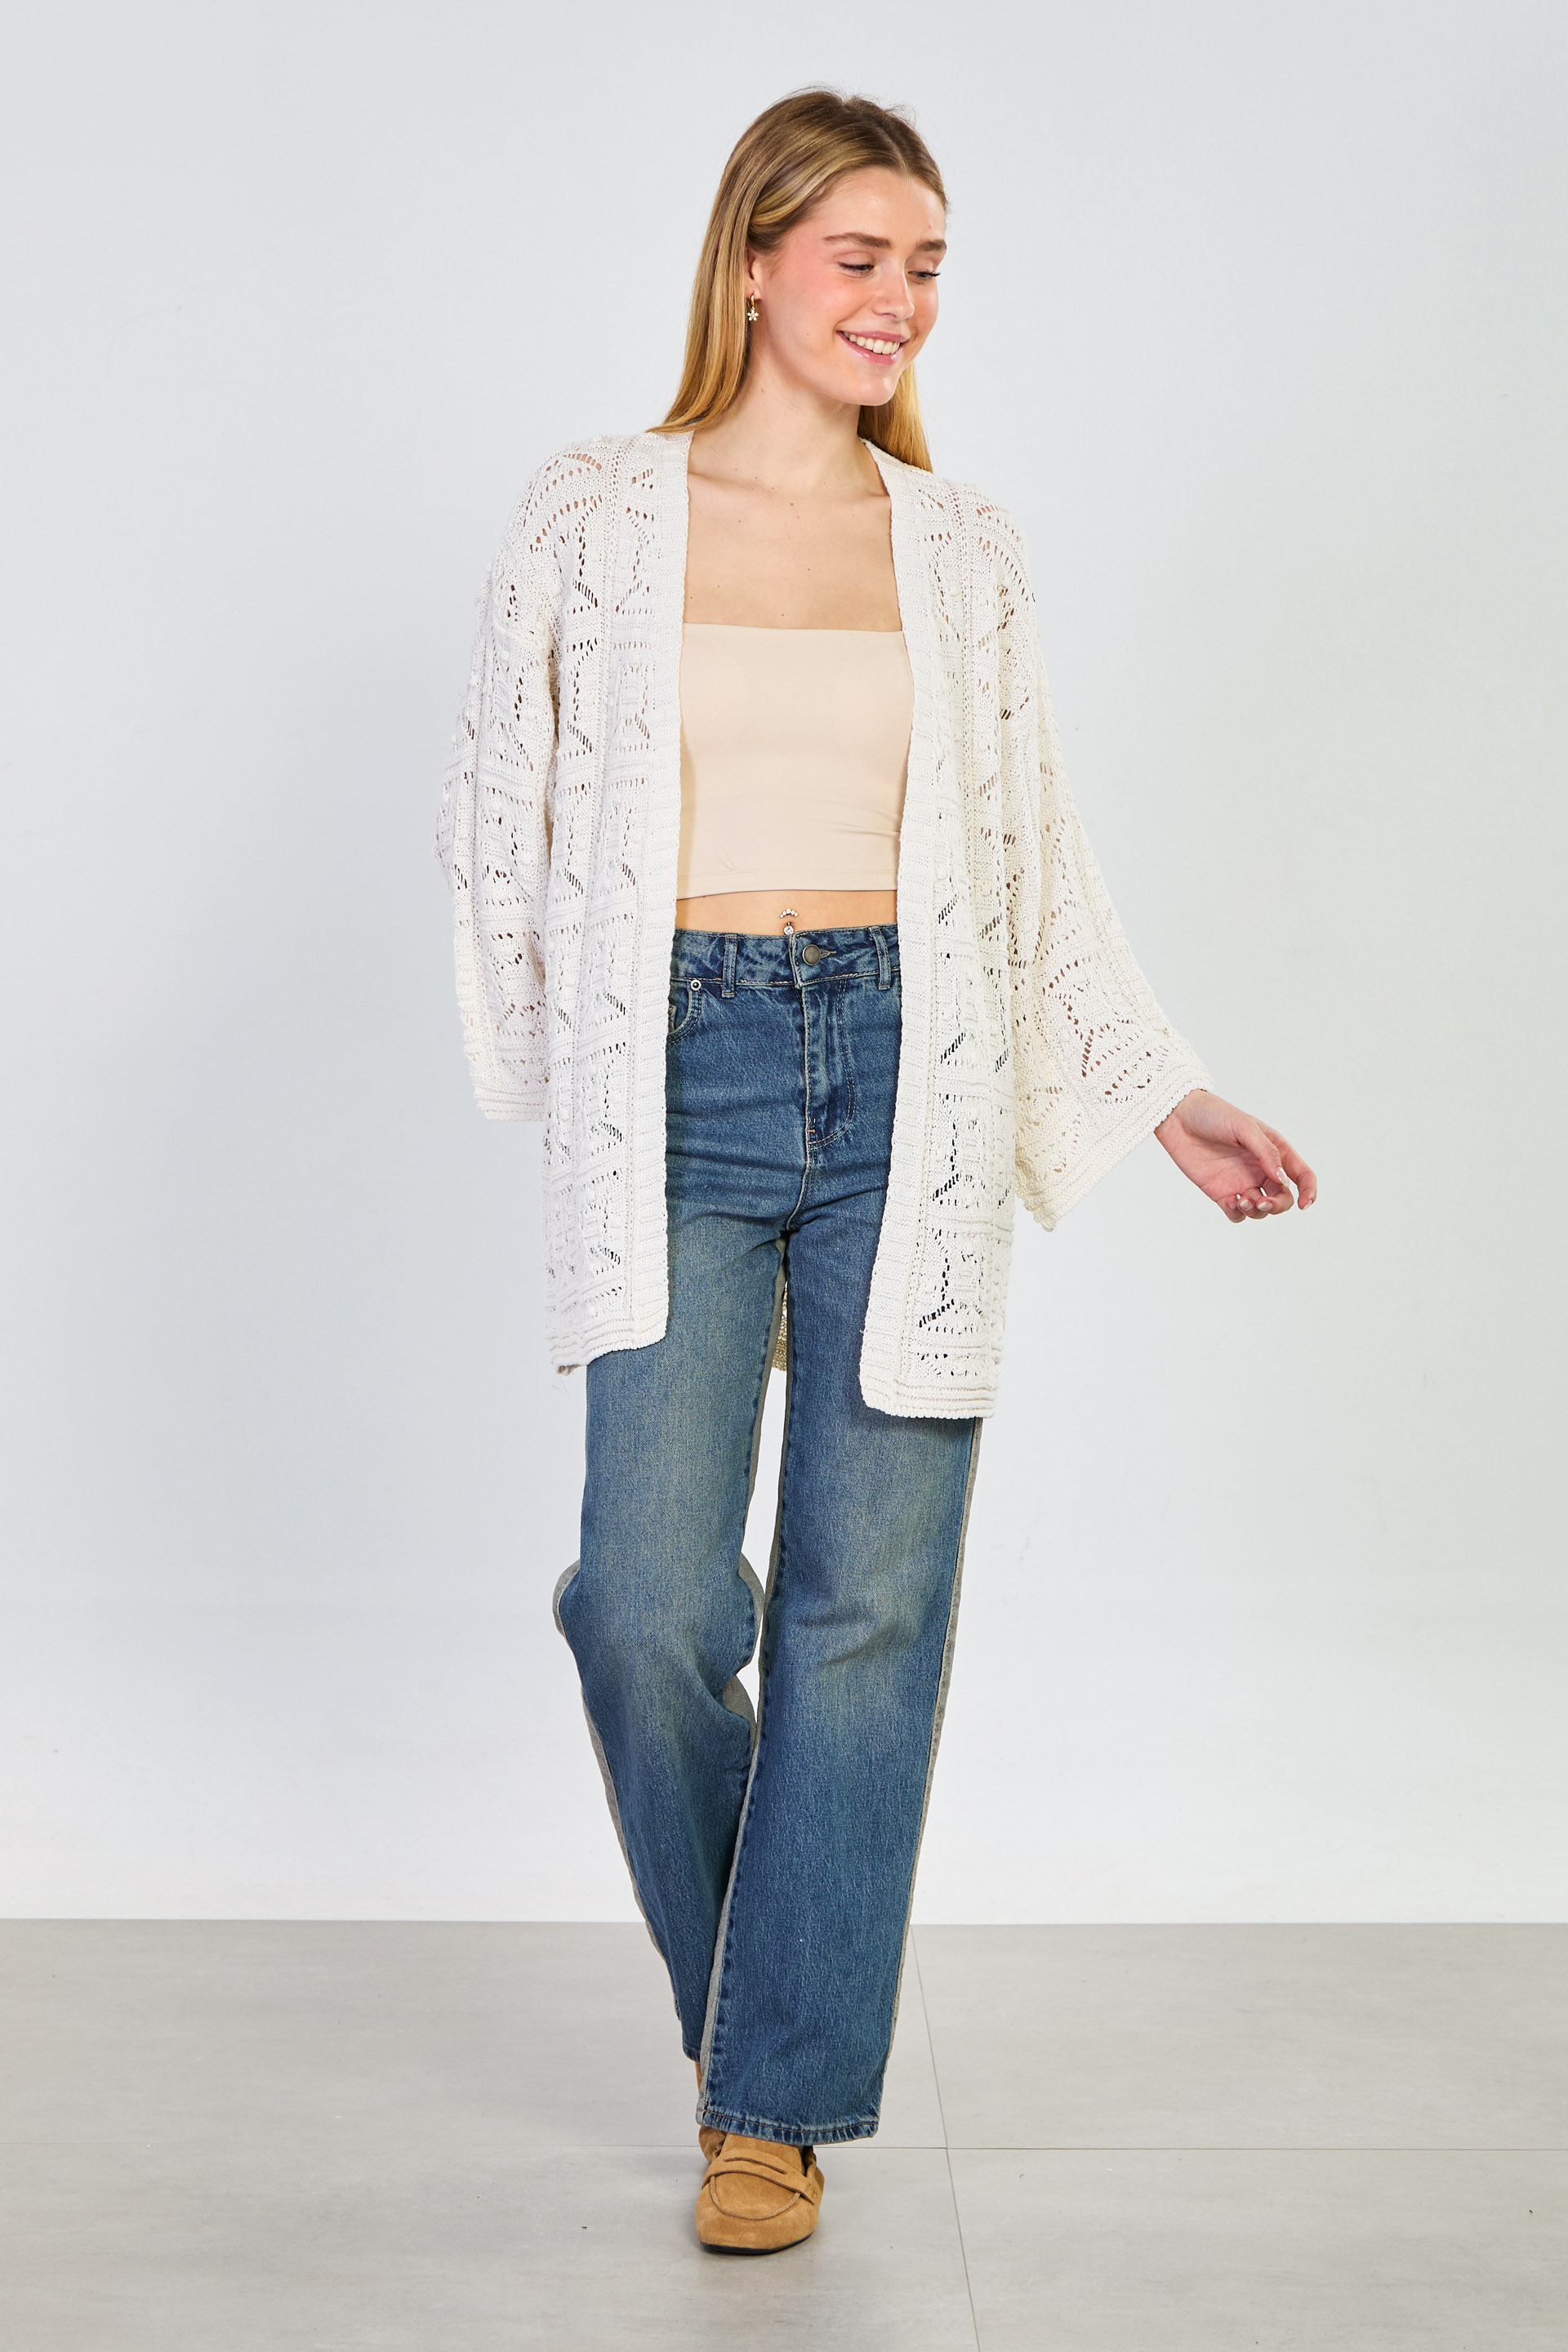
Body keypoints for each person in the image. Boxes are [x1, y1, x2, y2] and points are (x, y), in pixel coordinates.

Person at [434, 87, 1316, 2256]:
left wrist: (1159, 1087)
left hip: (912, 1071)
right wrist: (566, 1063)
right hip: (678, 1074)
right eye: (860, 258)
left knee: (867, 1609)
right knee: (646, 1601)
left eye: (926, 268)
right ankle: (773, 2005)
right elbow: (501, 806)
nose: (898, 301)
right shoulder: (591, 513)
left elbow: (1030, 853)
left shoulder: (963, 547)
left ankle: (773, 2108)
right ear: (752, 263)